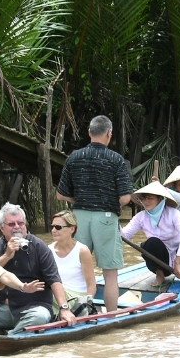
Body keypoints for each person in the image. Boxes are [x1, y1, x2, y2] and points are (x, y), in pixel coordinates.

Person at [56, 115, 134, 312]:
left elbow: (60, 194)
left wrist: (80, 200)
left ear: (89, 133)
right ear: (109, 134)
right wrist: (107, 201)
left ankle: (73, 311)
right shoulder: (116, 159)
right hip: (106, 219)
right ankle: (111, 316)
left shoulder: (74, 157)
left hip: (78, 218)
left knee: (77, 268)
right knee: (110, 275)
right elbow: (125, 198)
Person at [0, 203, 77, 334]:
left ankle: (8, 338)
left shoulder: (39, 246)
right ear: (1, 228)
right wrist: (6, 255)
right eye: (11, 224)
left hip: (34, 308)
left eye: (21, 223)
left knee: (39, 318)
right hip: (6, 308)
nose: (17, 227)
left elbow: (54, 280)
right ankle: (6, 332)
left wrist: (64, 308)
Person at [120, 181, 180, 287]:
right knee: (151, 242)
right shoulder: (141, 217)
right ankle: (159, 275)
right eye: (144, 198)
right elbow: (124, 236)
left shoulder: (173, 213)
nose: (146, 201)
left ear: (160, 199)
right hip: (161, 261)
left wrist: (177, 263)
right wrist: (115, 221)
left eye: (150, 198)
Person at [48, 210, 97, 297]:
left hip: (76, 296)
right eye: (52, 227)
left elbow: (91, 285)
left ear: (72, 229)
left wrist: (87, 302)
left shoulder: (82, 251)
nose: (53, 230)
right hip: (57, 294)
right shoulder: (49, 250)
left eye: (58, 227)